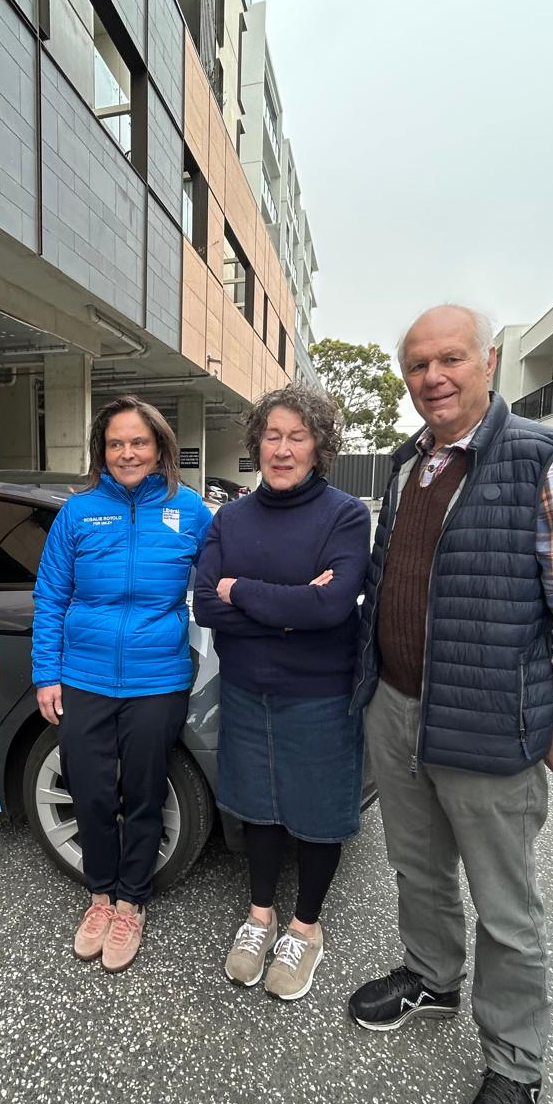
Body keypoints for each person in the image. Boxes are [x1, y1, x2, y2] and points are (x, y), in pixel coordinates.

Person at [348, 304, 553, 1104]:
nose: (432, 377)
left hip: (489, 719)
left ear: (488, 361)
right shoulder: (407, 465)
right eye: (417, 364)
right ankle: (432, 978)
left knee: (506, 905)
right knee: (416, 865)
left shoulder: (540, 457)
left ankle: (513, 1065)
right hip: (397, 706)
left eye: (450, 359)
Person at [192, 385, 369, 1000]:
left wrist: (241, 590)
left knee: (318, 814)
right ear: (256, 443)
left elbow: (332, 607)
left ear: (319, 447)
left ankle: (305, 929)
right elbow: (205, 605)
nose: (283, 449)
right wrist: (292, 607)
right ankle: (260, 916)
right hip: (247, 687)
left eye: (298, 436)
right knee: (258, 806)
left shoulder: (345, 515)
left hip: (320, 693)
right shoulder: (231, 518)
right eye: (272, 436)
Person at [31, 396, 212, 973]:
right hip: (84, 676)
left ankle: (131, 903)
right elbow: (50, 597)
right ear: (101, 451)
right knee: (89, 791)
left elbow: (224, 577)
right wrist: (46, 674)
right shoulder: (78, 513)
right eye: (116, 443)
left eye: (138, 442)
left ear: (159, 448)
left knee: (143, 792)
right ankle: (100, 896)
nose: (127, 453)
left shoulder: (189, 510)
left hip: (157, 677)